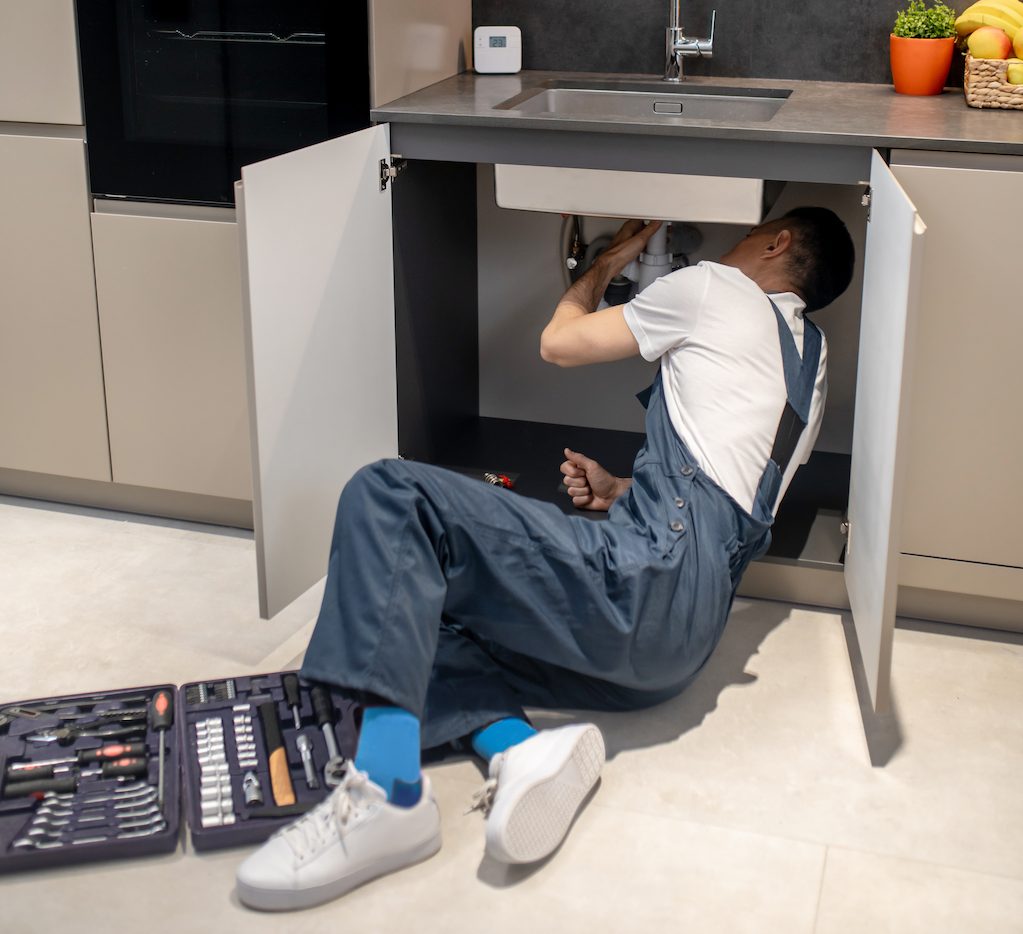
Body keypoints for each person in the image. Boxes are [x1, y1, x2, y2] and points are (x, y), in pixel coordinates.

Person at [235, 208, 856, 912]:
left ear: (775, 243)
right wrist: (622, 490)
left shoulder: (715, 287)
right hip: (676, 649)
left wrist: (606, 262)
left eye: (750, 232)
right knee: (407, 605)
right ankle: (520, 749)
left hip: (643, 586)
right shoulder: (812, 362)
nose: (728, 243)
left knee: (392, 494)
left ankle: (388, 795)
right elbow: (732, 487)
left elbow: (558, 343)